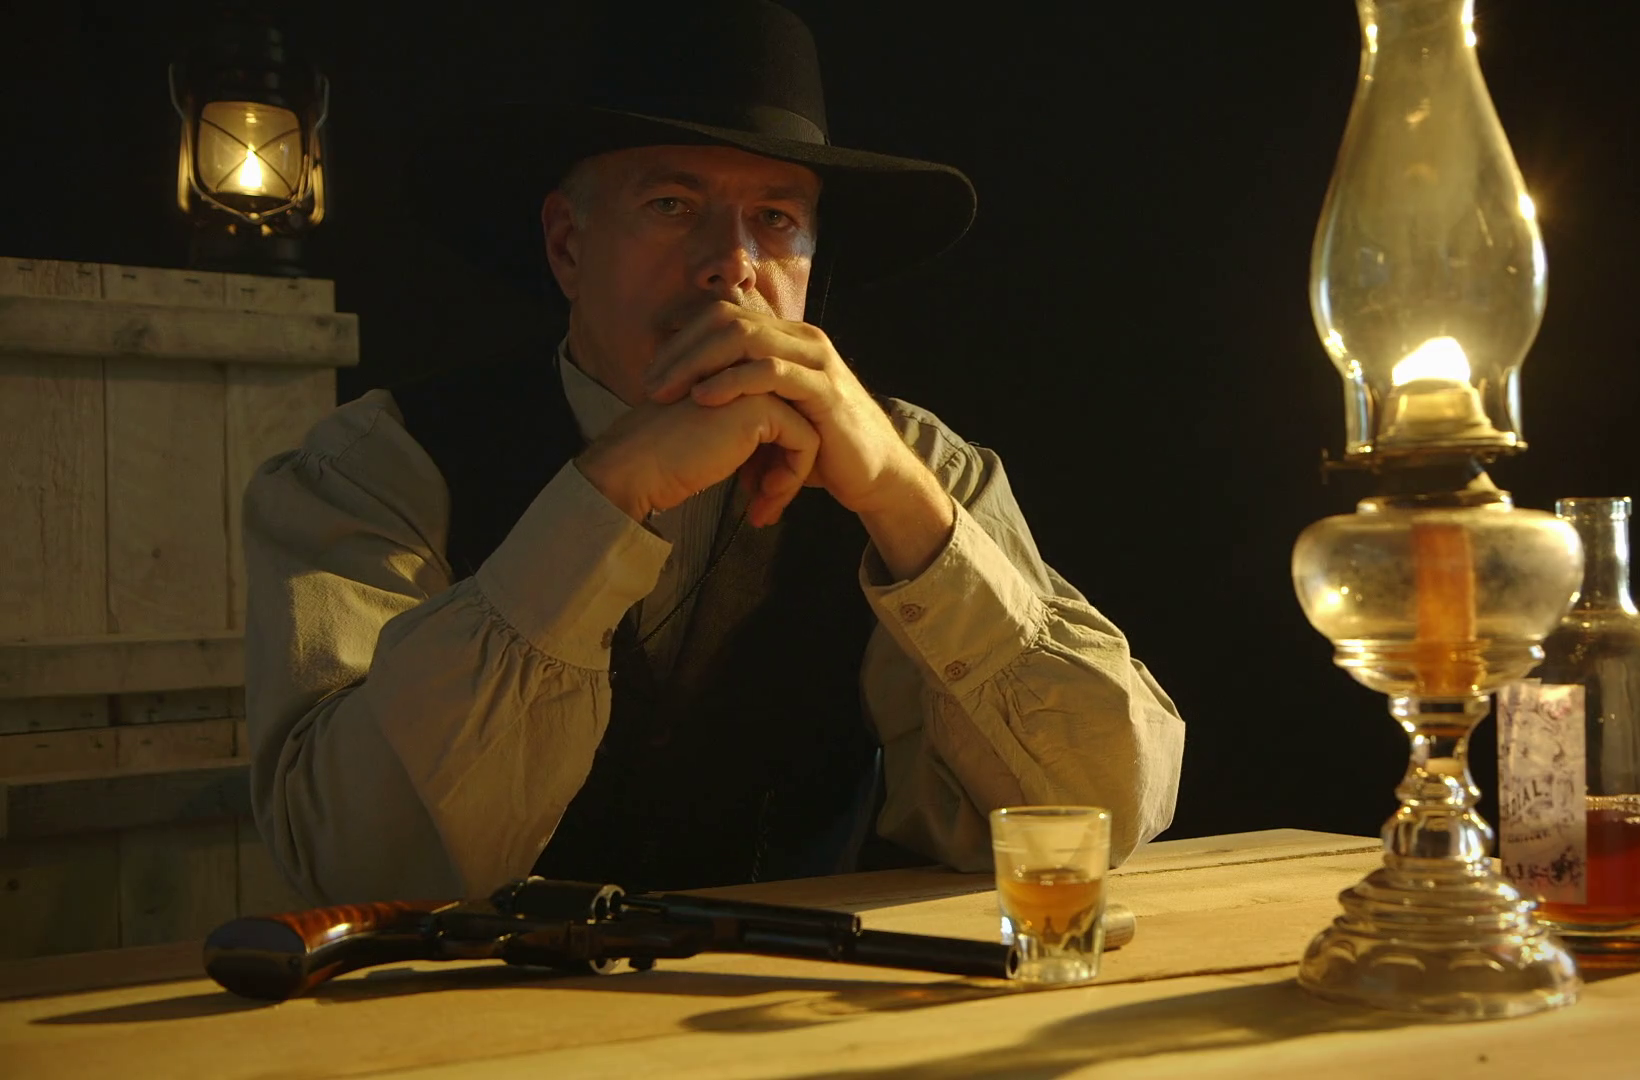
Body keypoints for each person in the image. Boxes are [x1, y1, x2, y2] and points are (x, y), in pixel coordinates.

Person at [242, 1, 1185, 904]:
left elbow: (1102, 813)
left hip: (810, 1000)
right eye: (671, 203)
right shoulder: (384, 466)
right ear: (567, 245)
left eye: (776, 218)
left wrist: (905, 506)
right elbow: (350, 861)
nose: (732, 262)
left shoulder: (920, 468)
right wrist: (605, 496)